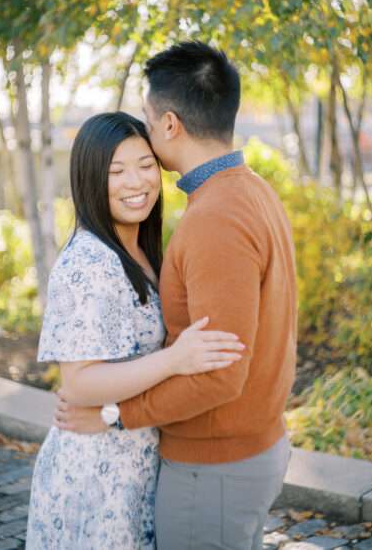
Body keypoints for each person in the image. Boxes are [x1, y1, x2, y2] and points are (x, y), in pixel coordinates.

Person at [56, 42, 298, 550]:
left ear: (169, 124)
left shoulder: (216, 217)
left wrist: (116, 416)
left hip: (213, 470)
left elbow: (219, 373)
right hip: (240, 455)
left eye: (146, 117)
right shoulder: (247, 189)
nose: (143, 130)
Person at [25, 112, 245, 550]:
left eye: (146, 166)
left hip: (135, 461)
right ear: (89, 179)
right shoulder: (86, 264)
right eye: (116, 171)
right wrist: (175, 358)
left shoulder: (141, 249)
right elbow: (80, 383)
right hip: (95, 474)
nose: (136, 182)